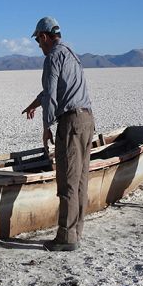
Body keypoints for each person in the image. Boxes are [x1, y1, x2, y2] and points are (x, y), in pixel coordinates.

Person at [22, 17, 95, 252]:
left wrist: (46, 127)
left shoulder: (53, 56)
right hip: (86, 120)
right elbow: (53, 91)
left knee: (68, 180)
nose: (39, 46)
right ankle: (75, 231)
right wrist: (35, 103)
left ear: (44, 37)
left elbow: (52, 93)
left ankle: (66, 236)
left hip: (71, 122)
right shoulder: (71, 53)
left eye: (38, 40)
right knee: (81, 180)